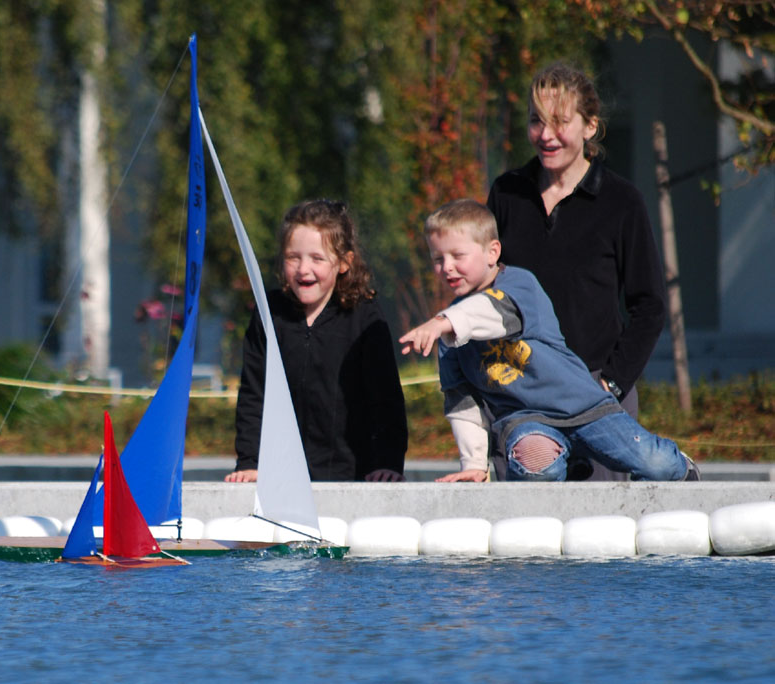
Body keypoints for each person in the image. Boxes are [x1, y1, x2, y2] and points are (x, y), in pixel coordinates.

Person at [399, 199, 696, 483]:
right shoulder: (450, 331)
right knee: (535, 467)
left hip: (583, 406)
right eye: (438, 259)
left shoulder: (518, 285)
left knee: (655, 464)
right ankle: (555, 483)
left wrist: (443, 321)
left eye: (457, 256)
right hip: (525, 421)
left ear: (492, 253)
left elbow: (494, 312)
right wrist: (474, 464)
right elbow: (462, 403)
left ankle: (679, 465)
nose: (446, 267)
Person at [486, 62, 668, 481]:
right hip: (523, 391)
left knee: (601, 536)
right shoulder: (507, 194)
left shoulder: (622, 201)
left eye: (559, 122)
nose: (546, 135)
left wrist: (612, 384)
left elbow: (649, 306)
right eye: (536, 121)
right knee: (531, 532)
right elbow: (486, 290)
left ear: (590, 126)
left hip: (597, 392)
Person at [225, 199, 408, 483]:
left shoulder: (364, 317)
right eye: (293, 257)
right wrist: (250, 461)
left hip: (353, 475)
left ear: (344, 263)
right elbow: (253, 394)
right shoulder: (270, 312)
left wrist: (387, 463)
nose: (303, 269)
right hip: (281, 479)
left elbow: (385, 399)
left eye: (317, 258)